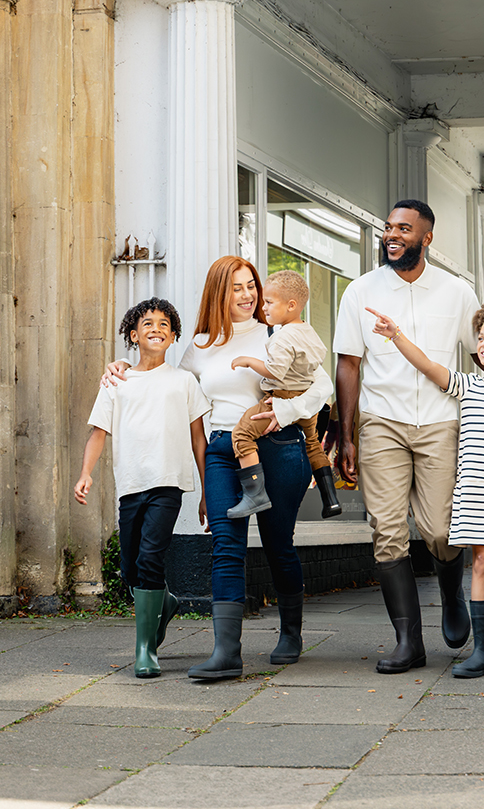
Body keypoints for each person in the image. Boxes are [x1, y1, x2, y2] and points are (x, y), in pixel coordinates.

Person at [334, 199, 484, 675]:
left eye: (404, 229)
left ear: (425, 238)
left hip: (440, 422)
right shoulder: (361, 291)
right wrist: (346, 434)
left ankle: (452, 592)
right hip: (380, 420)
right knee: (387, 534)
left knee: (439, 530)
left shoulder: (456, 292)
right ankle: (408, 641)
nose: (392, 235)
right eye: (388, 227)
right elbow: (348, 362)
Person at [104, 256, 333, 680]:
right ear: (219, 293)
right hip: (223, 450)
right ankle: (227, 651)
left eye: (252, 286)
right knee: (226, 544)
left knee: (277, 541)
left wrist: (285, 413)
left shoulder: (278, 333)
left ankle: (291, 632)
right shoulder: (200, 346)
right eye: (237, 288)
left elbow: (323, 386)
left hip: (278, 446)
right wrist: (121, 367)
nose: (247, 295)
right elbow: (163, 377)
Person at [368, 299, 484, 678]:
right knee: (483, 562)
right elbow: (427, 365)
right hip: (475, 493)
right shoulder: (468, 385)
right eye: (480, 337)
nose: (483, 344)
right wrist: (396, 335)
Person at [75, 298, 210, 678]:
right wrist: (86, 472)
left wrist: (205, 491)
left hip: (168, 483)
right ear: (133, 335)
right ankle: (164, 602)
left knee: (151, 558)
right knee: (132, 567)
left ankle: (145, 649)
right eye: (147, 323)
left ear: (173, 336)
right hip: (131, 484)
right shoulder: (117, 381)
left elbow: (198, 439)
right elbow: (98, 433)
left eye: (164, 324)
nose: (156, 328)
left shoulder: (184, 381)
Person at [229, 269, 341, 520]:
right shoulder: (308, 332)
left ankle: (254, 495)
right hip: (307, 407)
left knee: (242, 434)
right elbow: (316, 372)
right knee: (314, 445)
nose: (264, 307)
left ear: (291, 305)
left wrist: (249, 361)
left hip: (281, 398)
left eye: (269, 302)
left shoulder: (281, 337)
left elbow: (275, 372)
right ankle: (331, 499)